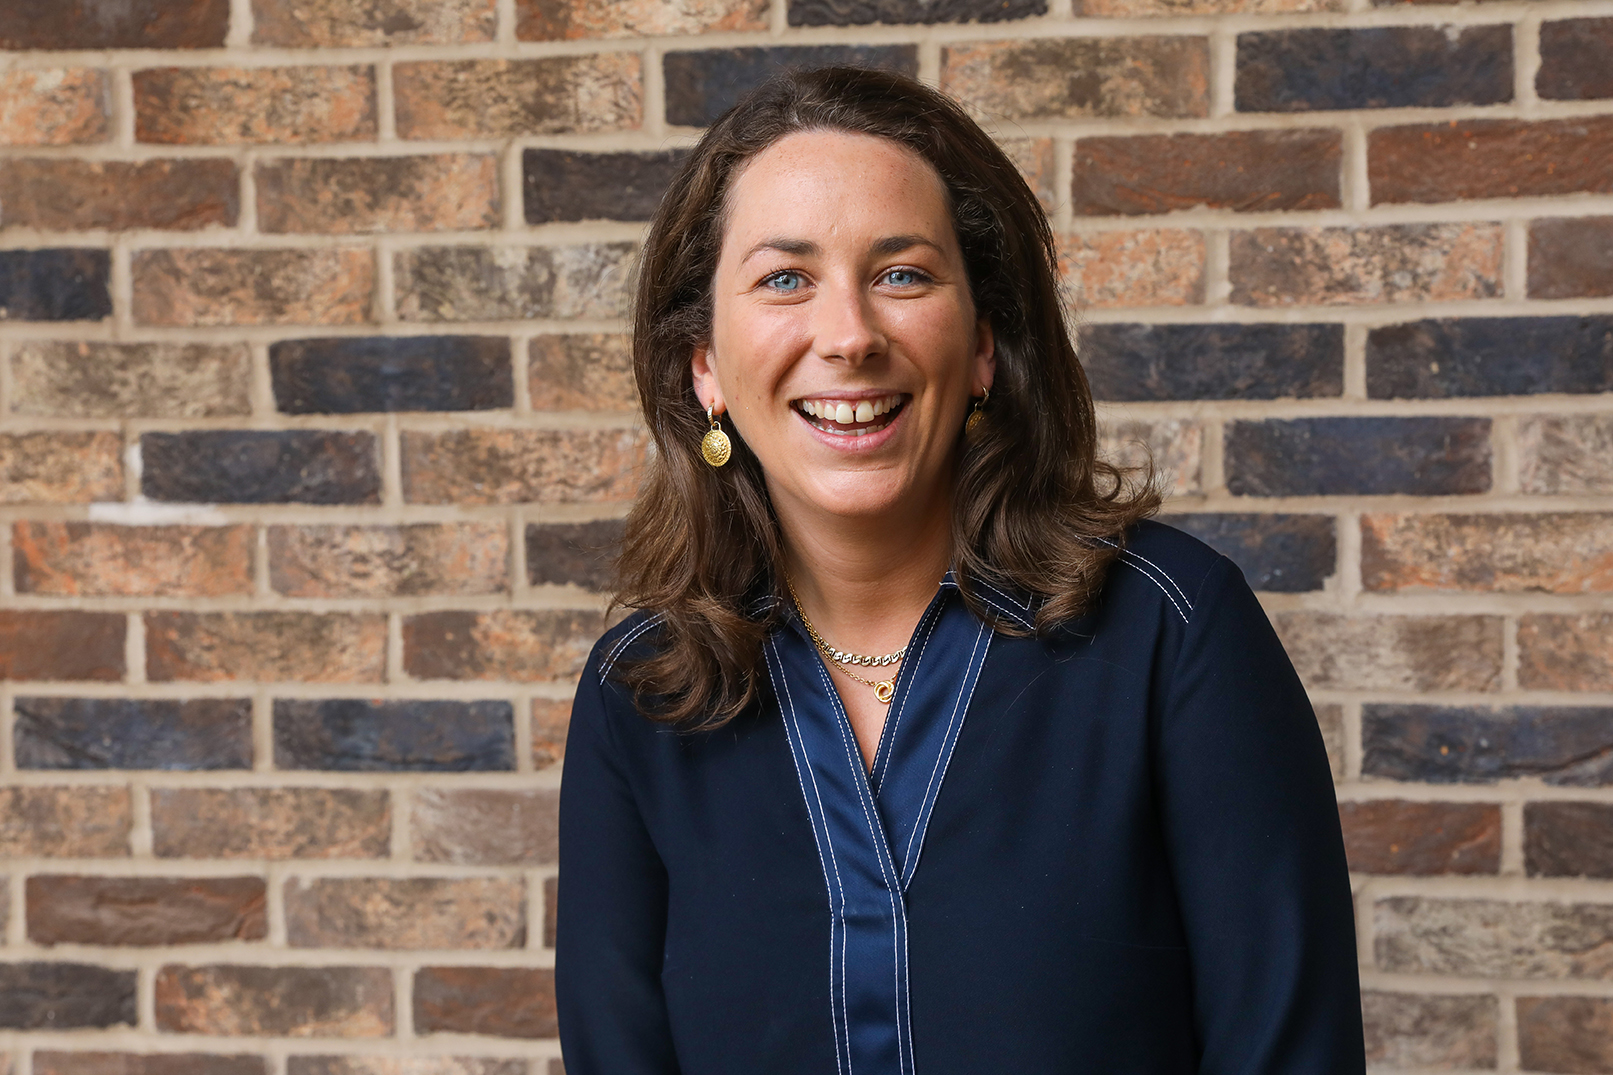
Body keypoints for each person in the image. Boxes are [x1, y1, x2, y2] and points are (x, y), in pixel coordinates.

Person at [555, 66, 1364, 1075]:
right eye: (784, 279)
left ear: (982, 345)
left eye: (901, 274)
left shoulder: (1171, 634)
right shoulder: (640, 693)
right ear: (703, 365)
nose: (848, 337)